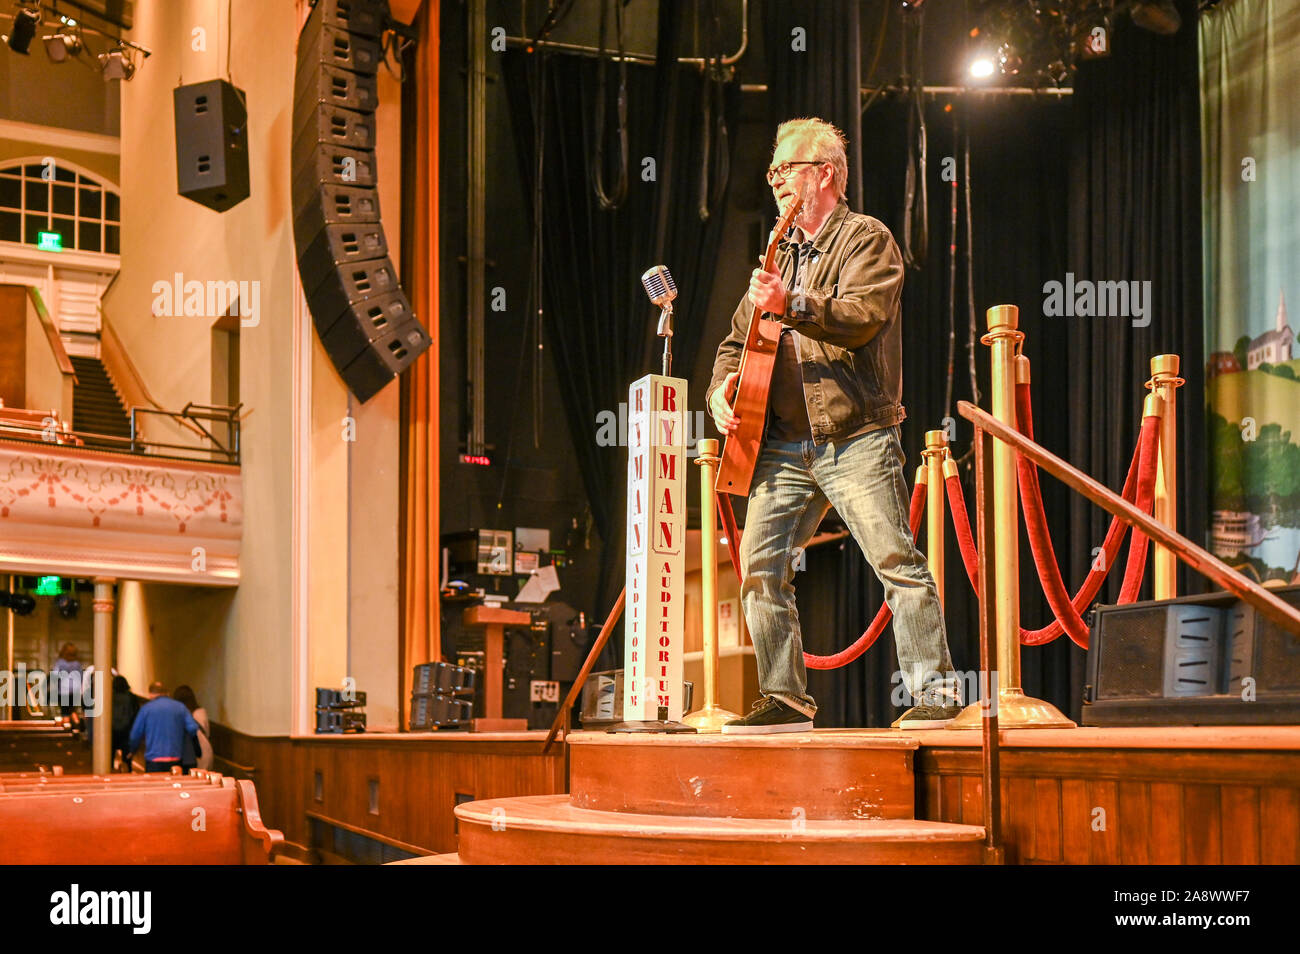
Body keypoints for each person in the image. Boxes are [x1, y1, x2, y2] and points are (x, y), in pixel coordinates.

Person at [707, 117, 962, 734]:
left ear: (824, 174)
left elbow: (862, 316)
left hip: (855, 437)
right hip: (783, 445)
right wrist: (722, 387)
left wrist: (789, 304)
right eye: (771, 172)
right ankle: (786, 699)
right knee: (760, 566)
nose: (774, 181)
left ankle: (936, 694)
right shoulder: (777, 255)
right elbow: (735, 342)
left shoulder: (864, 239)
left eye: (785, 169)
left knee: (896, 562)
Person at [127, 681, 199, 773]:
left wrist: (132, 750)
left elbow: (135, 734)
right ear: (167, 693)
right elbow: (192, 728)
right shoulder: (180, 707)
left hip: (153, 759)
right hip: (175, 757)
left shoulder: (146, 709)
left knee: (155, 785)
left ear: (151, 694)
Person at [172, 685, 212, 771]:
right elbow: (207, 734)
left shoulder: (184, 716)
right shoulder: (201, 712)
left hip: (194, 753)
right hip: (206, 750)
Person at [111, 674, 140, 772]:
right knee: (127, 759)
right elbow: (136, 714)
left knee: (109, 757)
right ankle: (127, 772)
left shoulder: (109, 697)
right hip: (127, 731)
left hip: (112, 732)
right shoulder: (132, 697)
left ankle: (109, 773)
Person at [51, 643, 83, 723]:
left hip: (63, 690)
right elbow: (81, 677)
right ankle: (76, 725)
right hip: (75, 690)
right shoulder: (77, 664)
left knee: (65, 712)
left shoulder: (60, 663)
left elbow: (55, 675)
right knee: (72, 710)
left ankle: (67, 729)